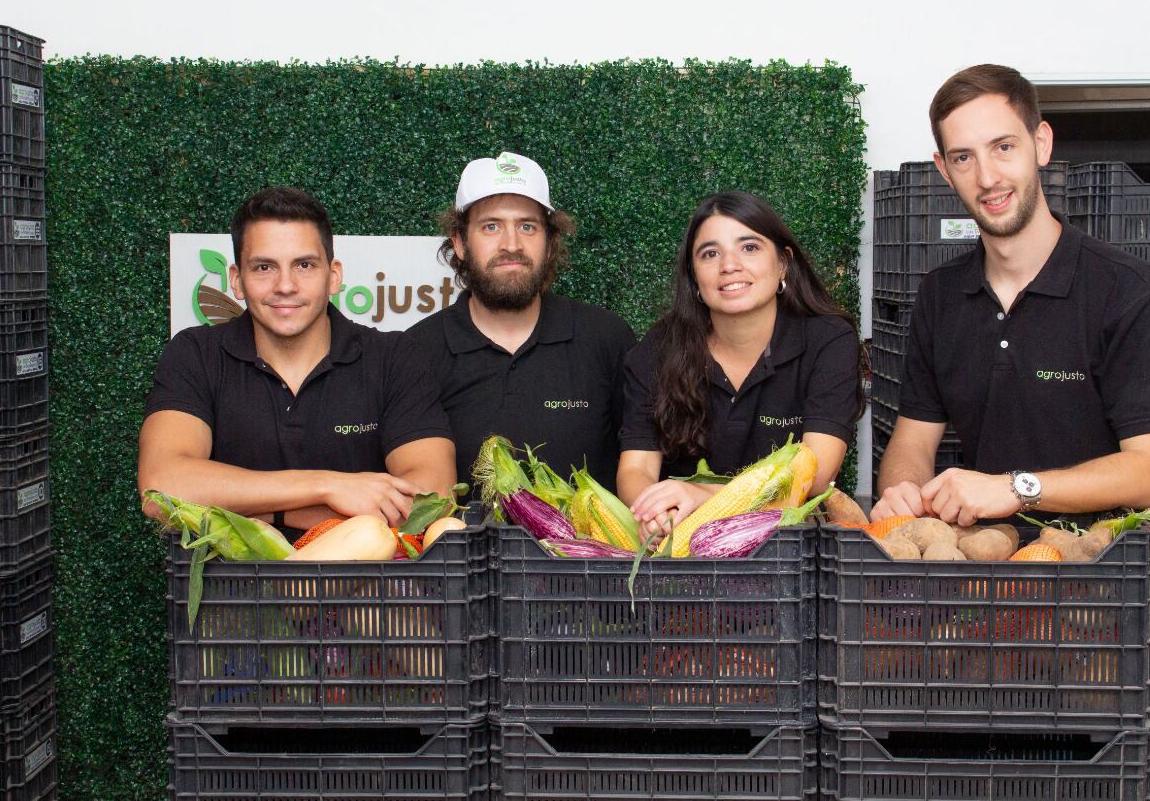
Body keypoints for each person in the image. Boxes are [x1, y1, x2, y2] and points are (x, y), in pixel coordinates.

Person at [872, 64, 1150, 526]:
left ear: (1041, 143)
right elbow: (913, 442)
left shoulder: (1126, 290)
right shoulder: (941, 294)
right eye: (963, 157)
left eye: (1003, 147)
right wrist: (903, 488)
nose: (987, 177)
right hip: (978, 568)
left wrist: (1015, 489)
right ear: (943, 170)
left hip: (1094, 572)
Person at [138, 186, 455, 539]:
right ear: (236, 280)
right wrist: (327, 487)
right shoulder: (195, 354)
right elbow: (160, 490)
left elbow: (431, 500)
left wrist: (269, 509)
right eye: (264, 267)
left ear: (333, 276)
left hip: (366, 590)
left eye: (304, 265)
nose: (285, 285)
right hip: (231, 591)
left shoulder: (393, 357)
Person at [617, 190, 865, 541]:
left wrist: (704, 499)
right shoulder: (658, 348)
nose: (729, 265)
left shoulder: (828, 341)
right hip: (684, 545)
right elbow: (636, 467)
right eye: (710, 253)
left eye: (749, 247)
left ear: (783, 263)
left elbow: (814, 475)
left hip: (788, 548)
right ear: (694, 277)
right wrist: (654, 510)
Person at [406, 151, 636, 496]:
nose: (511, 245)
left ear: (550, 242)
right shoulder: (415, 353)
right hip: (463, 549)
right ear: (460, 243)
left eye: (527, 226)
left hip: (587, 550)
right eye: (491, 226)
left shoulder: (606, 338)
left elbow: (643, 463)